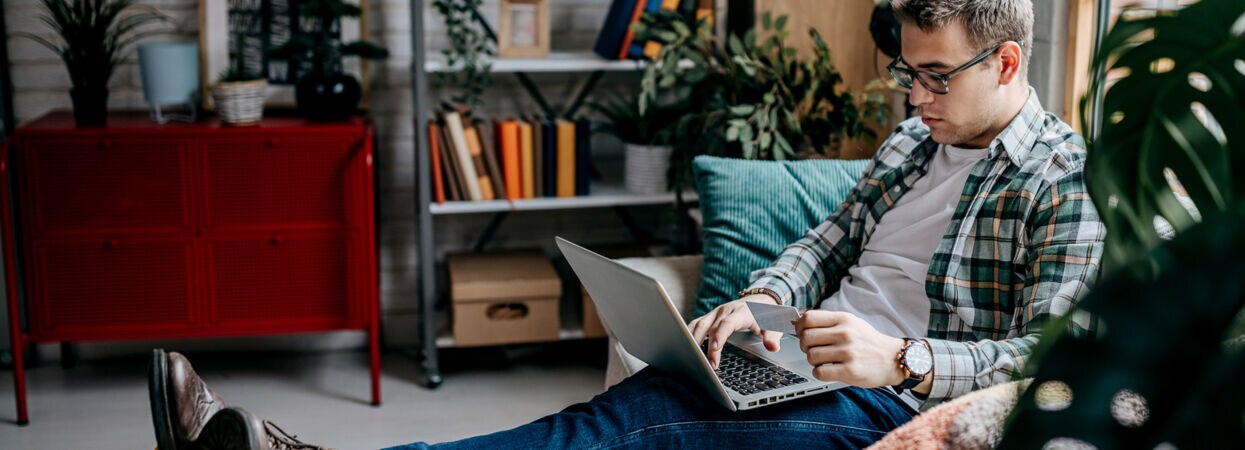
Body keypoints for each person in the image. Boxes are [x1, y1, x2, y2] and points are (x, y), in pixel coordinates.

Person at [156, 1, 1104, 448]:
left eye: (935, 77)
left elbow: (1055, 355)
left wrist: (901, 361)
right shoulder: (911, 141)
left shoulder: (1064, 181)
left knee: (619, 444)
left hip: (882, 401)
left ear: (1007, 63)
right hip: (791, 361)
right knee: (591, 429)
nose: (915, 97)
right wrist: (763, 298)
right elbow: (829, 242)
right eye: (907, 74)